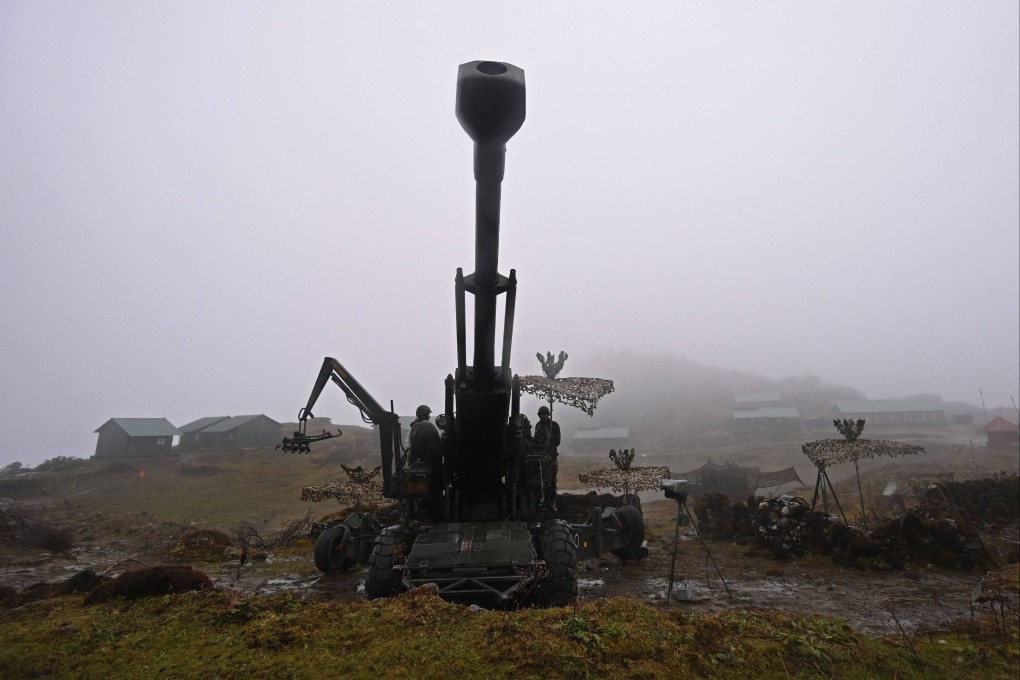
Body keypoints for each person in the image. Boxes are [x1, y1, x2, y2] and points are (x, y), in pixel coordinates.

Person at [533, 405, 561, 510]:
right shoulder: (538, 426)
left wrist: (549, 442)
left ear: (548, 415)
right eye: (541, 414)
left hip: (552, 455)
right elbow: (536, 439)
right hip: (541, 456)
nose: (543, 416)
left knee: (552, 478)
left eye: (545, 414)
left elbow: (557, 441)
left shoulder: (554, 425)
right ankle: (545, 499)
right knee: (543, 479)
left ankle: (552, 501)